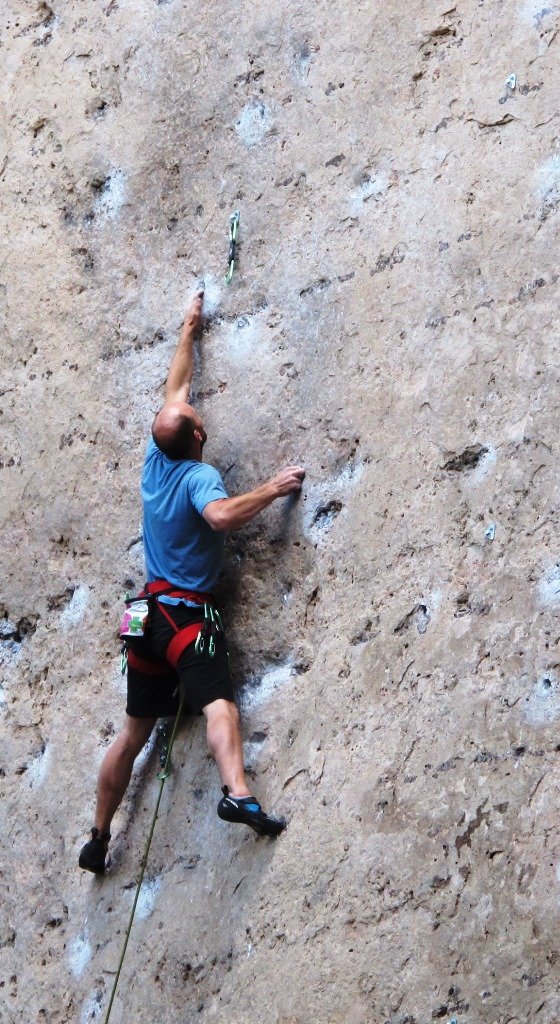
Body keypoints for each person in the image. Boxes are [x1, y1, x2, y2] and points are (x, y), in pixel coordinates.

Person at [79, 289, 305, 874]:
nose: (195, 411)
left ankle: (99, 837)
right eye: (198, 419)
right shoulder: (199, 476)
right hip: (184, 616)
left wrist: (188, 327)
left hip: (144, 616)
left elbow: (174, 392)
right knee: (219, 705)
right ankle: (238, 792)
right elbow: (221, 517)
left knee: (132, 735)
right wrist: (274, 490)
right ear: (198, 437)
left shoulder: (156, 458)